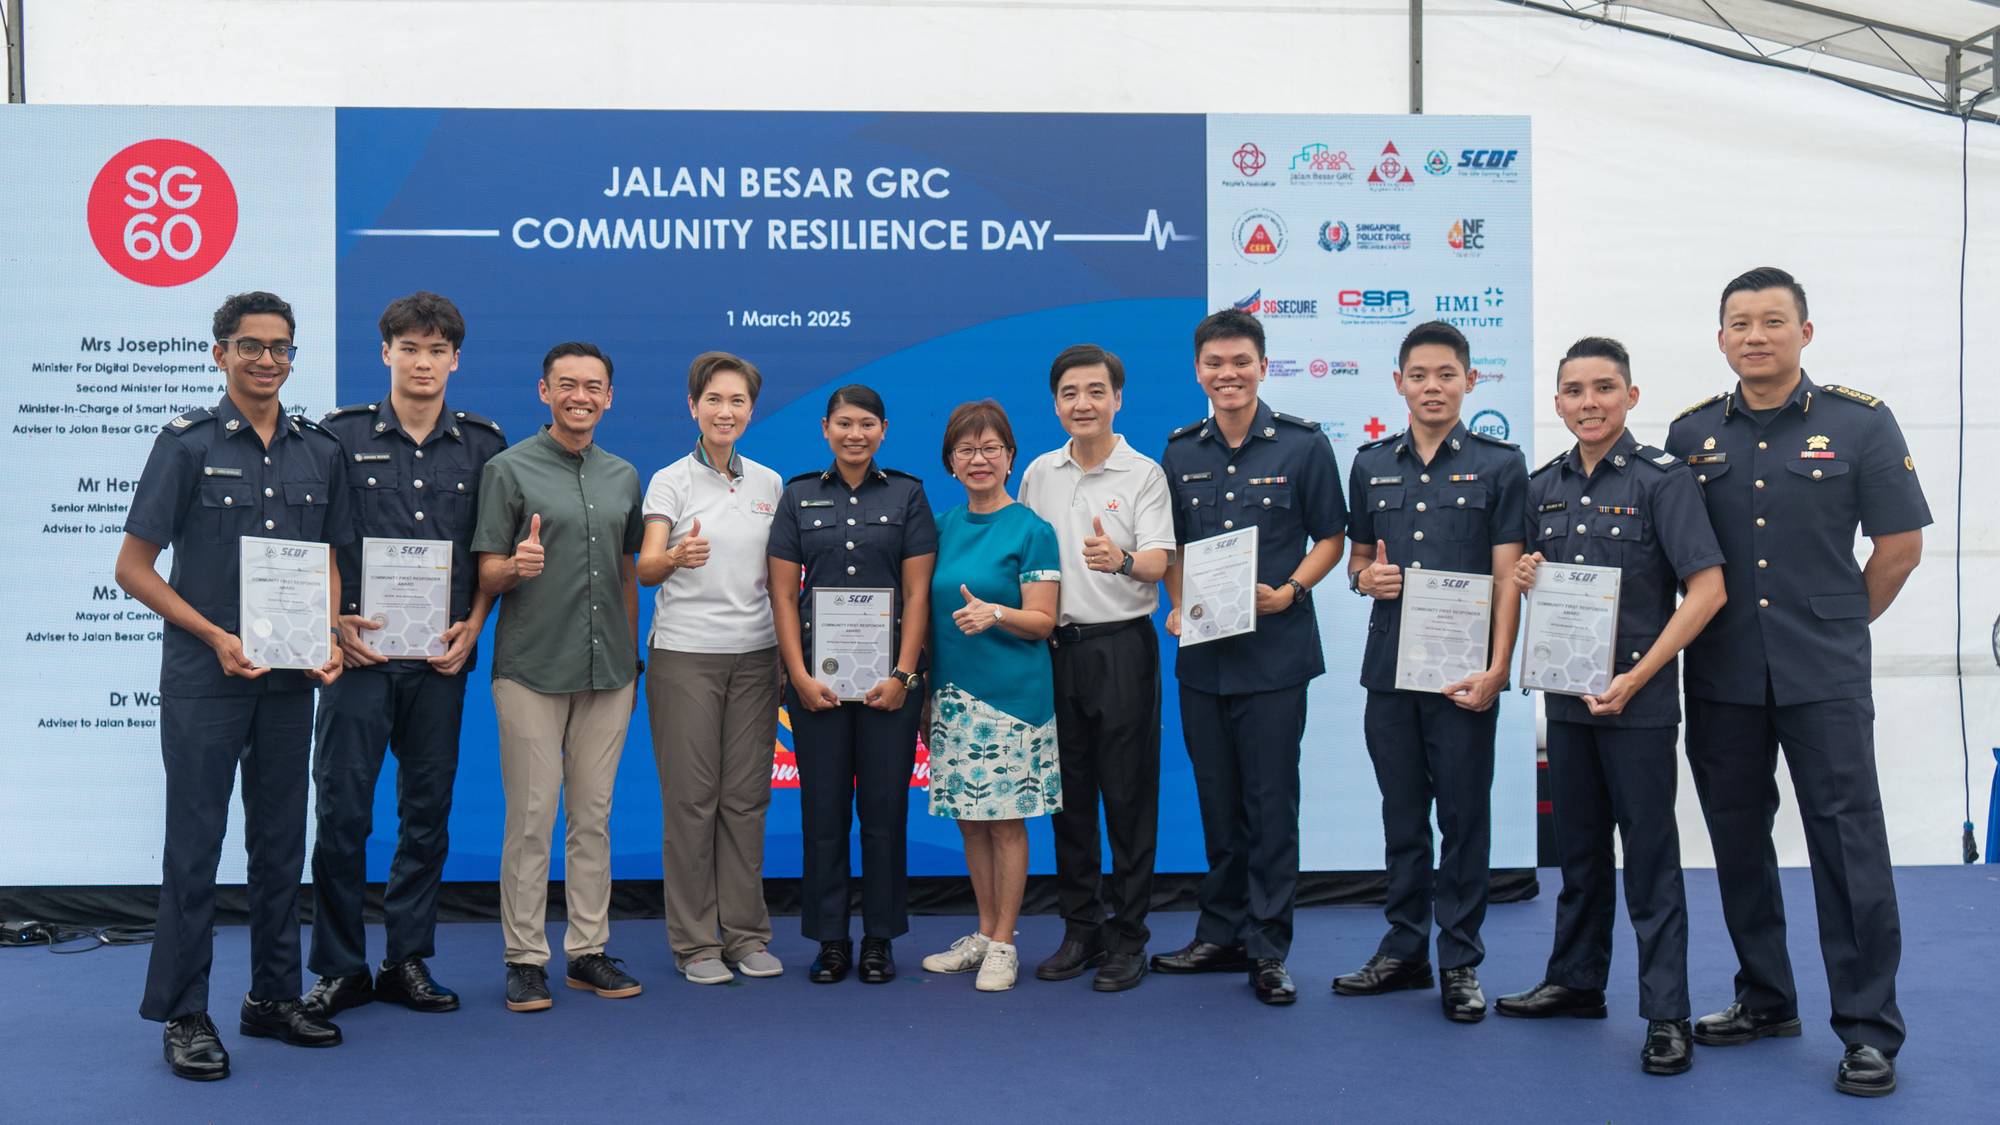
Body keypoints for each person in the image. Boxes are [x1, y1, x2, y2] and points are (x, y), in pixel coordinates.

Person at [1663, 267, 1928, 1098]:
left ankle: (1868, 1029)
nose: (1755, 335)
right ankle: (1766, 997)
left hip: (1823, 676)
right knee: (1738, 842)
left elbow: (1898, 549)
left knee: (1848, 847)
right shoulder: (1691, 432)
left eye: (1773, 321)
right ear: (1720, 339)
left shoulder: (1861, 423)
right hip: (1722, 674)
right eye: (1739, 322)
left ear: (1804, 333)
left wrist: (1839, 621)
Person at [117, 290, 352, 1080]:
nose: (266, 359)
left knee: (282, 843)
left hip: (288, 682)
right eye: (249, 345)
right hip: (205, 676)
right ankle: (184, 1014)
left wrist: (324, 636)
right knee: (194, 848)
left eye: (280, 347)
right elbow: (132, 568)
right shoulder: (185, 444)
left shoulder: (319, 450)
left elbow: (324, 558)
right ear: (220, 353)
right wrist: (214, 635)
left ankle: (272, 997)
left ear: (293, 357)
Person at [1493, 337, 1725, 1077]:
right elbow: (1542, 585)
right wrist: (1531, 574)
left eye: (1603, 387)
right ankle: (1575, 980)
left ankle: (1666, 1014)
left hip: (1639, 702)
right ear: (1558, 401)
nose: (1588, 402)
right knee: (1581, 854)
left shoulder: (1663, 481)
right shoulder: (1542, 485)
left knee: (1650, 860)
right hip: (1567, 700)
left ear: (1631, 395)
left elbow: (1708, 591)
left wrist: (1638, 676)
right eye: (1573, 390)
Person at [301, 292, 507, 1021]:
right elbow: (315, 542)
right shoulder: (336, 435)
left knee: (427, 813)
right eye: (409, 348)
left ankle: (407, 959)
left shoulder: (485, 444)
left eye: (437, 349)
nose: (423, 362)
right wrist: (331, 624)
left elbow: (492, 555)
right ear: (385, 352)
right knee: (342, 813)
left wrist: (474, 625)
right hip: (359, 659)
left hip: (440, 661)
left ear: (455, 358)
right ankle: (339, 966)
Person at [1153, 308, 1346, 1007]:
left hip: (1274, 654)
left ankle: (1268, 947)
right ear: (1198, 372)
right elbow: (1171, 547)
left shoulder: (1302, 445)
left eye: (1241, 362)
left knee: (1270, 804)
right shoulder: (1180, 451)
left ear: (1263, 366)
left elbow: (1332, 536)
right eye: (1215, 364)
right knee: (1218, 802)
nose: (1228, 375)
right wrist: (1176, 603)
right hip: (1204, 659)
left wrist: (1291, 588)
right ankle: (1220, 932)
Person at [1335, 319, 1526, 1022]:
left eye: (1447, 374)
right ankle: (1405, 948)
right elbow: (1357, 561)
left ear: (1470, 381)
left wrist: (1499, 667)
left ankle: (1461, 961)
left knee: (1465, 818)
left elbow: (1508, 576)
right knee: (1403, 816)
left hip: (1463, 677)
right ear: (1399, 383)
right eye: (1419, 375)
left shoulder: (1502, 465)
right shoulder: (1369, 463)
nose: (1433, 386)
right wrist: (1365, 580)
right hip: (1388, 671)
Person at [472, 341, 645, 1012]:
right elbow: (484, 570)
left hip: (609, 672)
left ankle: (587, 950)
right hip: (531, 669)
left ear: (610, 396)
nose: (581, 395)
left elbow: (628, 572)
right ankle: (523, 957)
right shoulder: (507, 470)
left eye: (593, 385)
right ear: (544, 392)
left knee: (594, 816)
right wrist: (514, 566)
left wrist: (630, 658)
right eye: (567, 384)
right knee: (533, 816)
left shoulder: (624, 476)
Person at [1018, 345, 1175, 992]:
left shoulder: (1143, 473)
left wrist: (1123, 559)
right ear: (1056, 403)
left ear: (1117, 398)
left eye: (1095, 391)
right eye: (1069, 393)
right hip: (1053, 650)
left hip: (1121, 648)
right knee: (1069, 799)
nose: (1082, 403)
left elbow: (1161, 563)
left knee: (1128, 797)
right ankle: (1080, 928)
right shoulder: (1038, 472)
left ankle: (1128, 937)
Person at [768, 384, 937, 985]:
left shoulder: (909, 495)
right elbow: (783, 595)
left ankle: (880, 940)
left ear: (883, 430)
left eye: (867, 424)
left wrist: (904, 675)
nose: (855, 434)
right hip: (817, 685)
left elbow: (918, 593)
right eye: (844, 423)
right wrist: (796, 675)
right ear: (825, 428)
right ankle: (831, 940)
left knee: (885, 812)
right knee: (822, 812)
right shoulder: (798, 497)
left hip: (890, 686)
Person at [638, 351, 785, 985]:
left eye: (738, 402)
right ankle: (696, 943)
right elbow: (644, 568)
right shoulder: (670, 480)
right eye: (714, 400)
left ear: (751, 411)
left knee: (746, 801)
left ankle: (746, 935)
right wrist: (675, 556)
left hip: (757, 657)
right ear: (693, 406)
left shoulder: (770, 485)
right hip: (685, 655)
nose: (726, 412)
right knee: (692, 802)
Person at [919, 399, 1062, 993]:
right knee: (970, 824)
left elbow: (1044, 621)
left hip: (1013, 700)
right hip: (953, 697)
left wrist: (996, 613)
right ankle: (982, 932)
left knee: (1004, 823)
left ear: (1010, 458)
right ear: (950, 462)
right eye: (966, 450)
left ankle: (1005, 941)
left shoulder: (1034, 529)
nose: (979, 460)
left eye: (991, 449)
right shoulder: (943, 526)